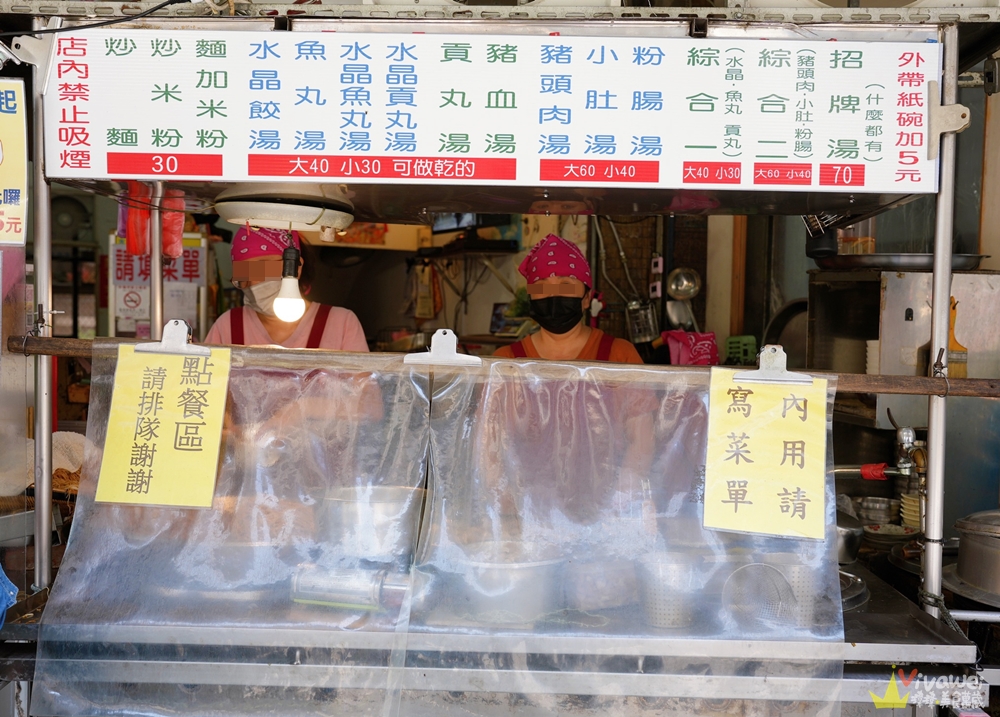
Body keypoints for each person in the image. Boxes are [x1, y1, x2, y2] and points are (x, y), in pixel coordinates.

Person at [204, 227, 368, 350]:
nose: (253, 283)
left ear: (296, 267)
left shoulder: (341, 324)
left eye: (263, 269)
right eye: (243, 275)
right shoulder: (227, 326)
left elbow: (362, 386)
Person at [493, 234, 642, 364]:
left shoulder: (620, 355)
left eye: (565, 285)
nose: (553, 295)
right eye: (541, 287)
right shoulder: (505, 360)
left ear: (586, 298)